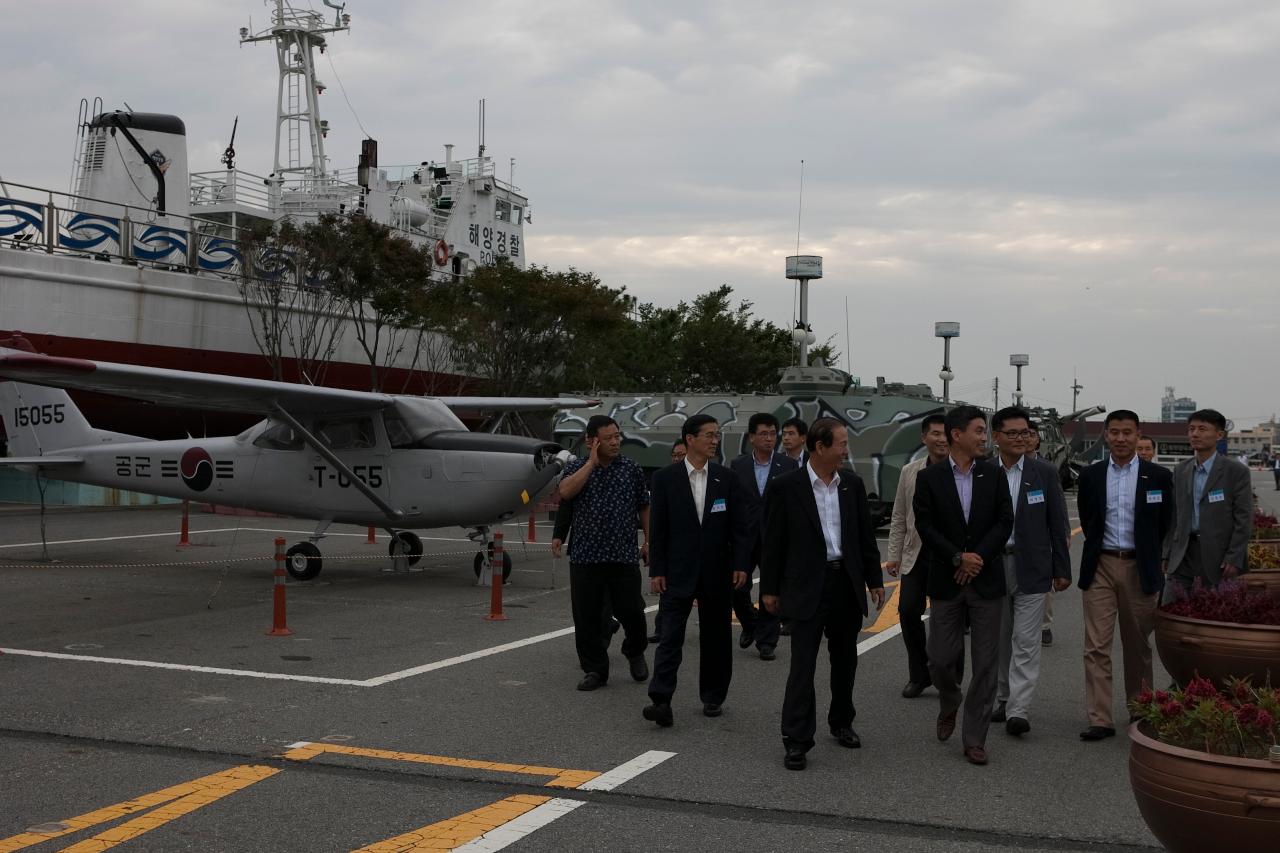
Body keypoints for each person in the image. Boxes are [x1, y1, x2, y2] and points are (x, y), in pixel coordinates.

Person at [761, 417, 885, 771]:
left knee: (846, 660)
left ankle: (842, 721)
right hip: (804, 586)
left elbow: (864, 538)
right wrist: (769, 589)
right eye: (842, 444)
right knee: (803, 664)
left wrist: (874, 580)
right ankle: (796, 739)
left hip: (844, 583)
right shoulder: (787, 487)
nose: (847, 451)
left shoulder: (852, 486)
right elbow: (772, 542)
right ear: (820, 447)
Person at [912, 405, 1014, 766]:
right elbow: (926, 527)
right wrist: (957, 558)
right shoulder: (930, 478)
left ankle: (974, 738)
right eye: (978, 430)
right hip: (946, 579)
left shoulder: (994, 475)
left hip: (986, 582)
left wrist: (975, 559)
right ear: (957, 435)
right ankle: (949, 698)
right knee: (939, 659)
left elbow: (1005, 521)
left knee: (985, 665)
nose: (984, 437)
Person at [643, 415, 753, 726]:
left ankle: (713, 696)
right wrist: (657, 570)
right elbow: (659, 529)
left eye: (716, 435)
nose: (714, 440)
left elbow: (740, 528)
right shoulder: (665, 479)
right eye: (708, 435)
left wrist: (741, 564)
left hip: (718, 572)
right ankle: (660, 699)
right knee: (670, 637)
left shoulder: (726, 478)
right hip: (677, 571)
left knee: (716, 637)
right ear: (689, 439)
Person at [1077, 409, 1174, 740]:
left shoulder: (1158, 476)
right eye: (1114, 432)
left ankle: (1140, 710)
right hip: (1101, 564)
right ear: (1105, 435)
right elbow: (1088, 520)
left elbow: (1165, 523)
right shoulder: (1091, 476)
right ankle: (1099, 717)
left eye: (1127, 432)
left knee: (1137, 645)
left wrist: (1157, 558)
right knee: (1096, 646)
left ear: (1137, 435)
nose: (1120, 438)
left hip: (1140, 567)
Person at [988, 407, 1071, 737]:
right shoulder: (982, 472)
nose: (1021, 438)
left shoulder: (1044, 472)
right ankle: (1003, 697)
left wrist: (1061, 568)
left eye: (1025, 433)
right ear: (996, 438)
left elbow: (1058, 523)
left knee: (1025, 639)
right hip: (993, 566)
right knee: (1000, 638)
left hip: (1033, 566)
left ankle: (1018, 710)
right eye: (1013, 433)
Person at [557, 415, 651, 691]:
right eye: (608, 437)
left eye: (617, 436)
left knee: (632, 611)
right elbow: (565, 492)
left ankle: (634, 650)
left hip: (622, 555)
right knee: (586, 617)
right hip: (587, 557)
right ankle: (595, 669)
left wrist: (649, 540)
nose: (615, 441)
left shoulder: (630, 469)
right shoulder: (575, 468)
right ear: (592, 441)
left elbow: (644, 505)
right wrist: (591, 464)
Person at [885, 413, 949, 698]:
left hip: (949, 557)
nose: (941, 438)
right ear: (924, 438)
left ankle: (948, 674)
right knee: (908, 611)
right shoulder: (910, 471)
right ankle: (919, 675)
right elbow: (899, 515)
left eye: (946, 433)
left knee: (948, 619)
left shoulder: (960, 470)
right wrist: (893, 555)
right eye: (935, 433)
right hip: (916, 554)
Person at [728, 412, 796, 660]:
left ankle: (767, 641)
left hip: (774, 538)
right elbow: (734, 502)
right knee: (736, 588)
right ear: (751, 437)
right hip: (744, 537)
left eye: (773, 433)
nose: (770, 439)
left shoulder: (787, 465)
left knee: (772, 588)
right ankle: (750, 623)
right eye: (764, 434)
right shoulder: (739, 465)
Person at [1164, 409, 1253, 596]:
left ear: (1219, 435)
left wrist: (1234, 557)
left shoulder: (1235, 472)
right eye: (1191, 429)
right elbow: (1174, 517)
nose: (1195, 434)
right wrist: (1166, 553)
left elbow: (1243, 519)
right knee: (1169, 610)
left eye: (1202, 429)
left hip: (1218, 557)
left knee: (1212, 615)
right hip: (1183, 555)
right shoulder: (1181, 470)